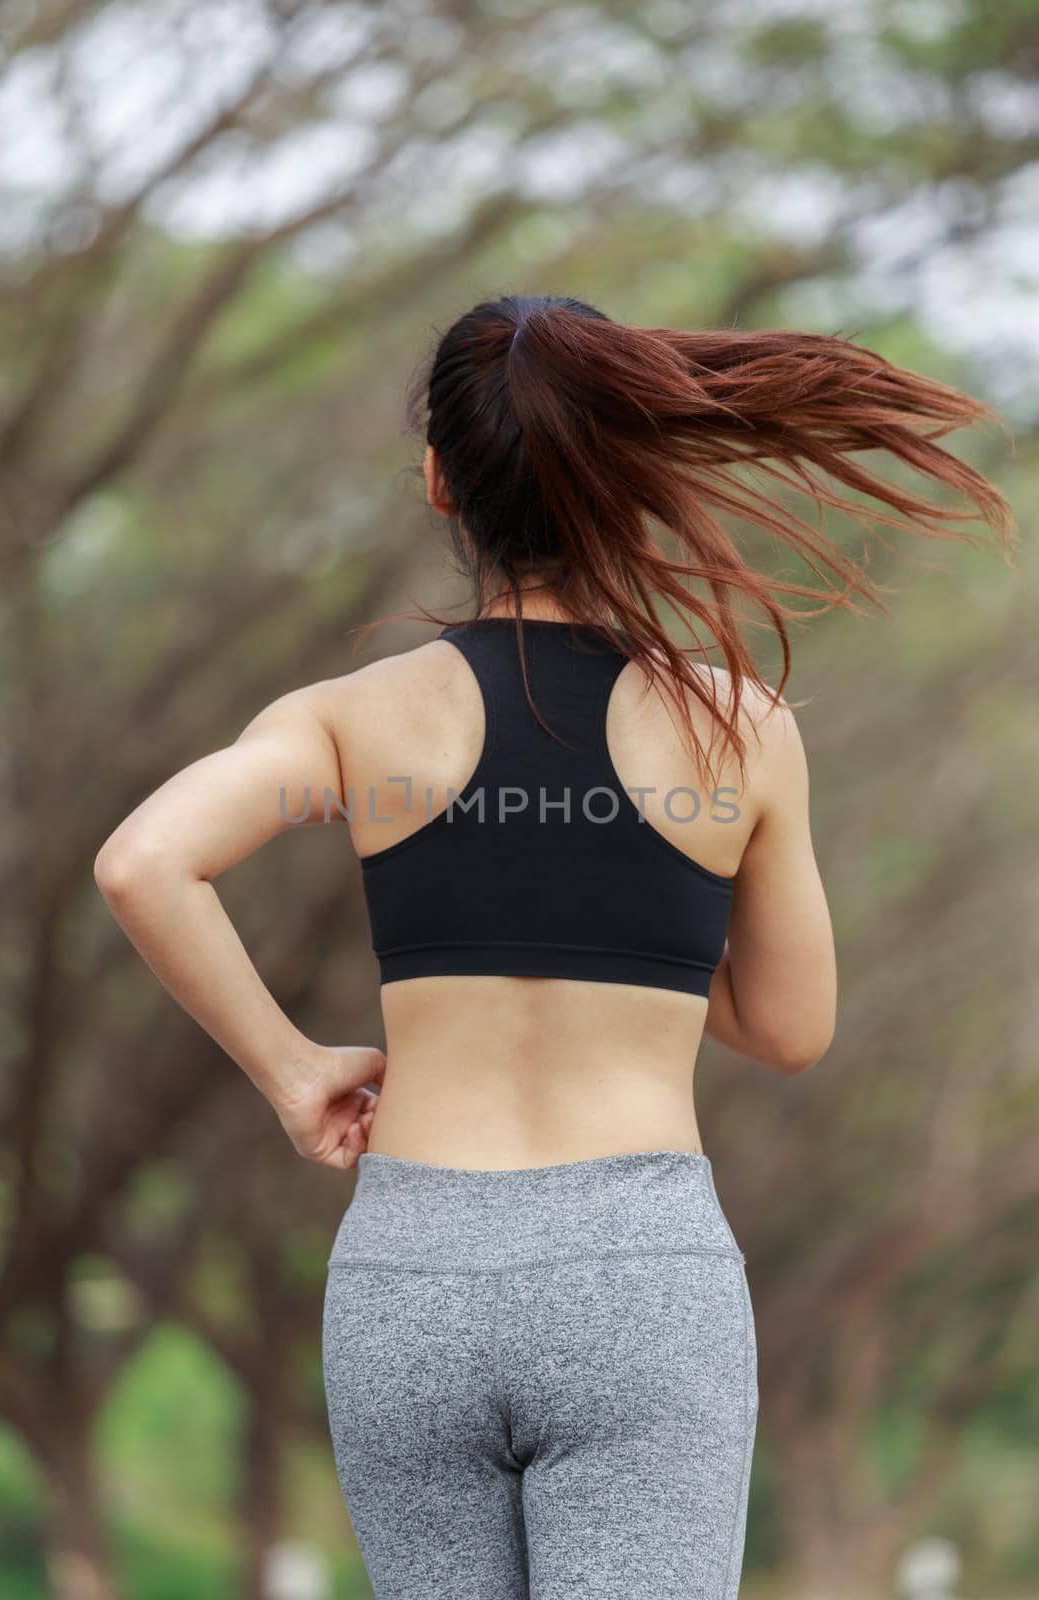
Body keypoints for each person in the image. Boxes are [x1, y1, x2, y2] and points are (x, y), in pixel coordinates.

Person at [94, 295, 1015, 1599]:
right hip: (638, 1278)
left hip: (409, 1275)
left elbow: (143, 862)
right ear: (628, 475)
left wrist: (295, 1071)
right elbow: (791, 1029)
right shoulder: (738, 731)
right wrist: (639, 920)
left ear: (437, 482)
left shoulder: (358, 719)